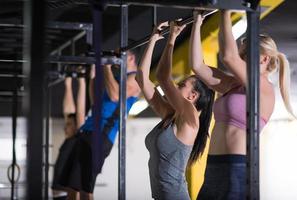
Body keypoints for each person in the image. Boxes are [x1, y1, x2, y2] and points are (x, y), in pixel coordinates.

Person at [190, 10, 295, 199]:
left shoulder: (262, 87)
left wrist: (225, 12)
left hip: (236, 169)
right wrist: (197, 23)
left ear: (264, 59)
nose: (240, 58)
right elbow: (198, 66)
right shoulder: (232, 84)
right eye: (241, 54)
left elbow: (228, 57)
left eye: (245, 54)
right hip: (213, 166)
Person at [136, 21, 214, 200]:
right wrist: (154, 38)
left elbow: (162, 77)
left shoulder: (191, 118)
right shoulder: (171, 116)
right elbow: (141, 77)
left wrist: (172, 37)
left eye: (181, 85)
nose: (176, 87)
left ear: (193, 96)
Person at [57, 48, 141, 200]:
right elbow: (96, 101)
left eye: (119, 55)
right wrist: (94, 76)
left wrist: (106, 67)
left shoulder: (135, 78)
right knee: (72, 185)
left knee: (85, 187)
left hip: (101, 135)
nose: (116, 58)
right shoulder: (116, 80)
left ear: (130, 58)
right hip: (87, 132)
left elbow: (116, 96)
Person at [52, 66, 86, 200]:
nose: (65, 127)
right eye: (67, 124)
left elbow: (76, 114)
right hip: (62, 193)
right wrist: (71, 82)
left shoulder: (76, 138)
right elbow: (71, 112)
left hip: (64, 194)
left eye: (68, 125)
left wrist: (78, 81)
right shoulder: (73, 138)